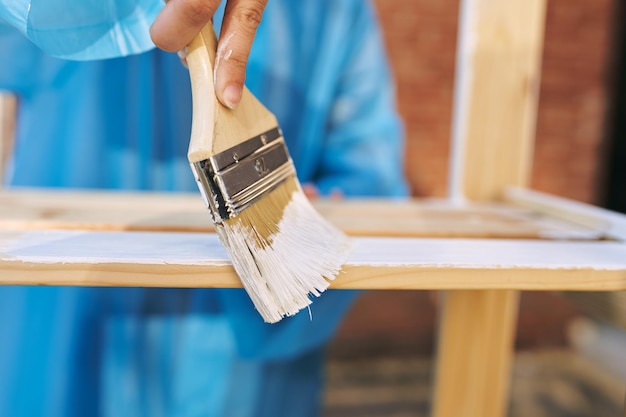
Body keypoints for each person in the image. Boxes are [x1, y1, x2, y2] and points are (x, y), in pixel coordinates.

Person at [0, 1, 408, 416]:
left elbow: (374, 180)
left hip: (247, 385)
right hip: (58, 356)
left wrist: (314, 220)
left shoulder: (336, 11)